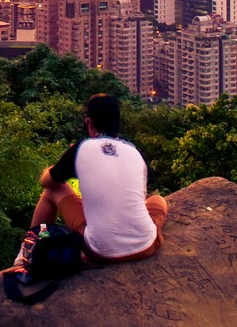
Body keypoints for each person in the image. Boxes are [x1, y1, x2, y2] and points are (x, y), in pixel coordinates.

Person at [18, 93, 168, 265]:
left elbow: (47, 181)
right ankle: (145, 232)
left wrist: (61, 163)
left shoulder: (82, 148)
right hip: (146, 247)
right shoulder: (134, 151)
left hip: (99, 252)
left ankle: (31, 248)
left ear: (89, 123)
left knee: (52, 191)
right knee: (158, 200)